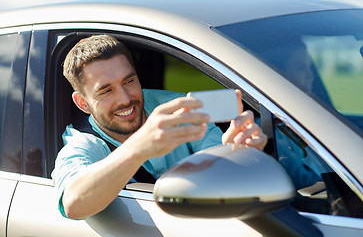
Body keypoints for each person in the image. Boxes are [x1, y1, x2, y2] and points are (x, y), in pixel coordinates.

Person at [52, 34, 267, 220]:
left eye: (129, 81)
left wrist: (232, 155)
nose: (125, 99)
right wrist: (139, 147)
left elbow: (220, 175)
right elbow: (73, 204)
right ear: (83, 103)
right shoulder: (83, 143)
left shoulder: (175, 107)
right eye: (106, 91)